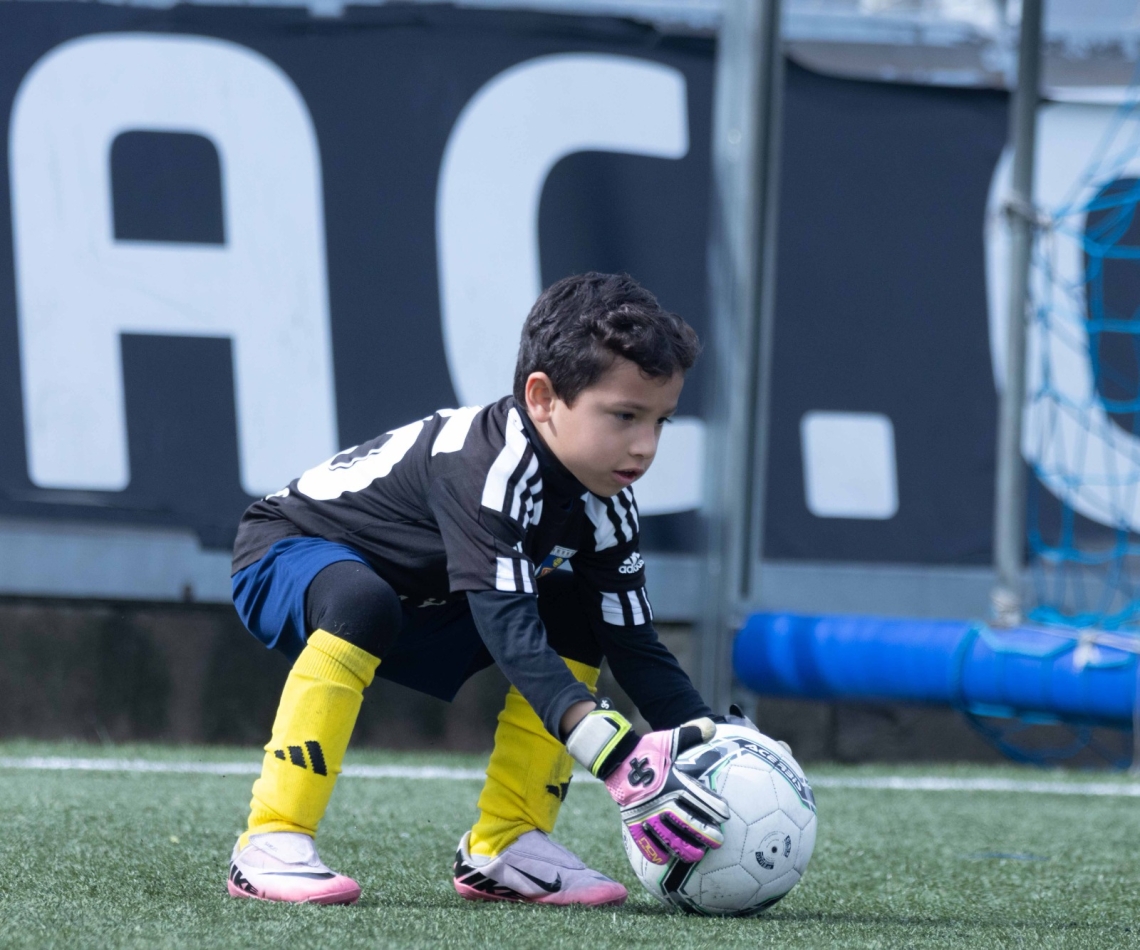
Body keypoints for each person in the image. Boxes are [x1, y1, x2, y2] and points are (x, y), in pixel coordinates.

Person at [225, 272, 729, 907]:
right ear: (542, 397)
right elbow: (509, 628)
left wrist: (725, 744)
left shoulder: (607, 504)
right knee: (361, 601)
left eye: (661, 421)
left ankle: (507, 845)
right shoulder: (487, 466)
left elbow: (634, 644)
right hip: (285, 551)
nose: (645, 445)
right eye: (625, 416)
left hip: (422, 592)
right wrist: (617, 757)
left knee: (578, 608)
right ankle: (271, 840)